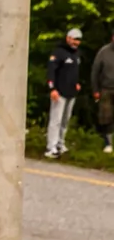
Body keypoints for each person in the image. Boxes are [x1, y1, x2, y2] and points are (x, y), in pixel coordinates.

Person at [43, 28, 83, 159]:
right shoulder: (58, 53)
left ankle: (60, 143)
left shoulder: (76, 54)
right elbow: (51, 72)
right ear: (68, 38)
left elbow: (73, 72)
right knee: (56, 120)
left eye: (78, 40)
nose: (76, 42)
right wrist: (52, 88)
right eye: (74, 39)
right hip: (59, 92)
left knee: (65, 120)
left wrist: (76, 83)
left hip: (71, 93)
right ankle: (51, 147)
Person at [89, 33, 114, 154]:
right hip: (106, 89)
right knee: (106, 116)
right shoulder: (103, 52)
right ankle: (108, 143)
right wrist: (95, 90)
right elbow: (95, 71)